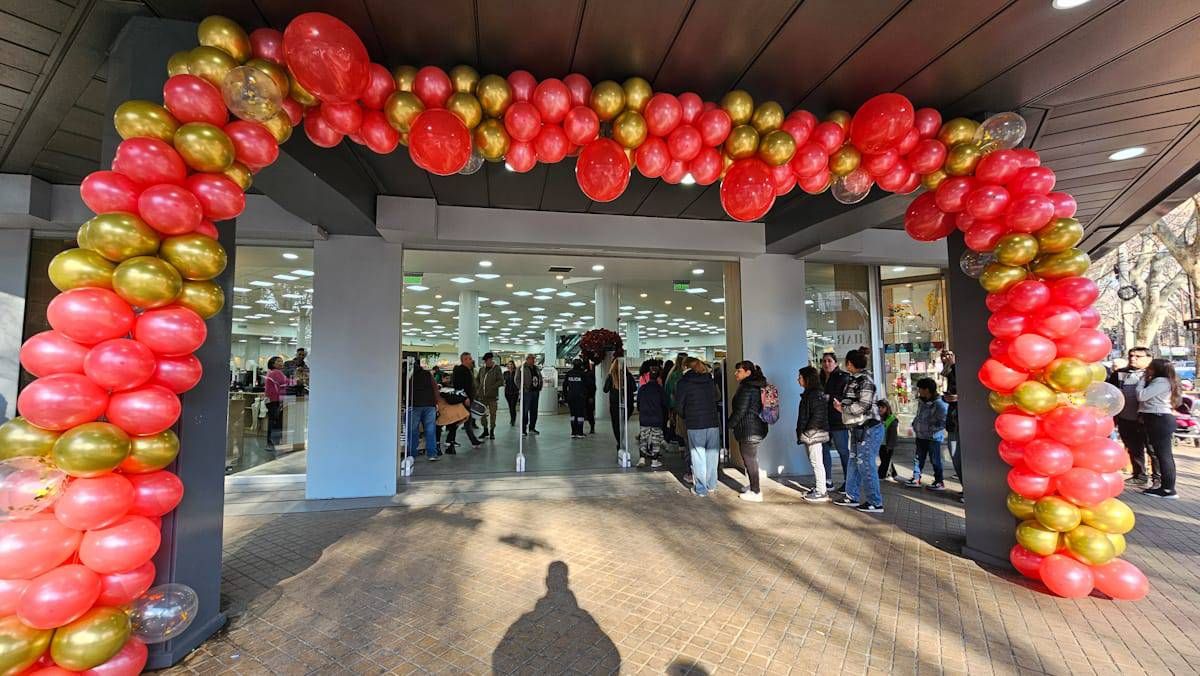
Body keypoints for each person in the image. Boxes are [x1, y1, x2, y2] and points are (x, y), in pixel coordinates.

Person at [832, 350, 884, 513]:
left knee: (866, 464)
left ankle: (875, 502)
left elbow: (864, 405)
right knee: (854, 461)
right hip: (858, 427)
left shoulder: (865, 381)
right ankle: (852, 496)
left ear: (849, 363)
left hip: (868, 427)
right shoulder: (854, 379)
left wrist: (843, 408)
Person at [1108, 347, 1155, 485]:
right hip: (1126, 418)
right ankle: (1139, 475)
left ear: (1149, 358)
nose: (1133, 358)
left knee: (1153, 450)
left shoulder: (1154, 375)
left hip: (1147, 418)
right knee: (1133, 448)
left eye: (1138, 356)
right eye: (1131, 356)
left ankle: (1159, 479)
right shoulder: (1119, 374)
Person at [675, 358, 721, 496]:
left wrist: (686, 415)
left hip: (695, 423)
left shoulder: (683, 383)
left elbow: (679, 405)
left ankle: (701, 489)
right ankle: (712, 484)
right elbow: (716, 397)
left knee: (698, 456)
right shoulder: (709, 380)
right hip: (712, 422)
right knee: (712, 455)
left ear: (685, 367)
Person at [1137, 358, 1181, 499]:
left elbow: (1142, 396)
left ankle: (1168, 489)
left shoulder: (1161, 382)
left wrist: (1142, 381)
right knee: (1161, 454)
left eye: (1150, 367)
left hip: (1159, 418)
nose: (1147, 369)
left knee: (1164, 455)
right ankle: (1166, 487)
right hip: (1157, 418)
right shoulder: (1166, 381)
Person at [729, 361, 769, 502]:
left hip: (749, 429)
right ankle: (752, 485)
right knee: (751, 459)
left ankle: (756, 491)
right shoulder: (756, 386)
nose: (736, 373)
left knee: (750, 460)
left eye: (739, 371)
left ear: (748, 372)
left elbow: (740, 410)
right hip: (755, 427)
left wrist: (730, 424)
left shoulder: (747, 388)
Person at [905, 378, 948, 491]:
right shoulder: (922, 401)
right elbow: (918, 416)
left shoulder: (939, 404)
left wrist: (930, 429)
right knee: (918, 458)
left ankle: (939, 481)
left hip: (933, 438)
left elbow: (944, 421)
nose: (918, 391)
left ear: (927, 390)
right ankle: (916, 478)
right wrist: (915, 425)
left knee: (935, 460)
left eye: (920, 388)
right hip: (920, 436)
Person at [796, 366, 830, 502]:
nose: (798, 379)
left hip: (813, 434)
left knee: (817, 462)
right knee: (815, 461)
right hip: (812, 433)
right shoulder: (811, 394)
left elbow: (817, 415)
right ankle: (819, 488)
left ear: (807, 379)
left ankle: (822, 491)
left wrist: (808, 432)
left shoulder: (814, 394)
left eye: (800, 377)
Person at [820, 351, 852, 492]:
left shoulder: (843, 377)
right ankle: (827, 481)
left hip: (838, 421)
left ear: (835, 363)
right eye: (824, 361)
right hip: (823, 420)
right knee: (824, 450)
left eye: (829, 361)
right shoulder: (819, 378)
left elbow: (846, 396)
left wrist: (829, 397)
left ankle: (849, 482)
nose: (826, 364)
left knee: (843, 451)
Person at [445, 352, 482, 451]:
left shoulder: (467, 370)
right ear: (464, 360)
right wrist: (465, 398)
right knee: (464, 419)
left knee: (462, 420)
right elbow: (459, 386)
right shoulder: (461, 371)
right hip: (463, 400)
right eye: (469, 359)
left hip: (466, 399)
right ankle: (473, 441)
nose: (471, 360)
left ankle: (450, 439)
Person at [636, 364, 668, 469]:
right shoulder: (660, 390)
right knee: (656, 440)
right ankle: (654, 460)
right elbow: (664, 403)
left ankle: (642, 459)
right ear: (658, 377)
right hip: (657, 418)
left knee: (643, 439)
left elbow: (639, 404)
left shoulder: (642, 389)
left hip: (644, 417)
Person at [407, 362, 439, 460]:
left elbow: (406, 389)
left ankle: (412, 453)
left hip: (415, 405)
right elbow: (435, 388)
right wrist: (436, 402)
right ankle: (432, 454)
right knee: (430, 429)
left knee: (413, 430)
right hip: (429, 405)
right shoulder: (427, 374)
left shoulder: (409, 376)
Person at [603, 358, 636, 450]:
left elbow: (605, 389)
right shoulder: (628, 375)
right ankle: (621, 440)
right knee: (623, 423)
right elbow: (634, 388)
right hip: (627, 404)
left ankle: (619, 442)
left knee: (616, 424)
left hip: (615, 405)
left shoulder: (611, 376)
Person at [263, 356, 293, 453]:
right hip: (274, 400)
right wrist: (298, 381)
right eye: (279, 361)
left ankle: (272, 442)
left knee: (274, 421)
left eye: (282, 361)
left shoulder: (273, 373)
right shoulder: (276, 372)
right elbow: (287, 382)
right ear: (273, 364)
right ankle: (270, 443)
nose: (281, 363)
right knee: (274, 422)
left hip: (272, 400)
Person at [474, 352, 503, 439]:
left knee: (493, 414)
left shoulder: (497, 369)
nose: (487, 362)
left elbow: (501, 381)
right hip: (482, 397)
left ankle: (492, 431)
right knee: (482, 414)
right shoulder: (482, 369)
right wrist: (478, 388)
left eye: (488, 360)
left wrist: (492, 387)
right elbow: (477, 379)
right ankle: (485, 430)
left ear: (491, 360)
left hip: (492, 397)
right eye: (486, 361)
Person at [563, 359, 590, 439]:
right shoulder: (583, 374)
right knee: (580, 415)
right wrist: (587, 395)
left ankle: (573, 432)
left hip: (571, 397)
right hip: (580, 397)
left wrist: (566, 397)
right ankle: (580, 432)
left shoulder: (569, 373)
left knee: (573, 414)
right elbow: (587, 385)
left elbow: (565, 386)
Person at [876, 400, 899, 481]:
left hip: (887, 444)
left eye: (882, 407)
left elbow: (893, 435)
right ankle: (893, 473)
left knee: (886, 460)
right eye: (878, 407)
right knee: (885, 459)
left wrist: (890, 446)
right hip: (880, 443)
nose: (880, 409)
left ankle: (881, 475)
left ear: (887, 408)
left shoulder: (891, 419)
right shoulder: (878, 418)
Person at [521, 354, 542, 436]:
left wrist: (540, 386)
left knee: (534, 411)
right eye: (532, 359)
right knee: (525, 411)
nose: (533, 360)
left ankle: (532, 428)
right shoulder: (522, 368)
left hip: (535, 392)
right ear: (527, 359)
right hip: (527, 393)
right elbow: (517, 379)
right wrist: (523, 388)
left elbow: (540, 377)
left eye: (534, 359)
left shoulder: (536, 368)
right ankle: (523, 429)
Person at [504, 360, 520, 427]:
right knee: (510, 407)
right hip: (507, 392)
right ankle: (512, 418)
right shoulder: (505, 373)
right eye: (509, 364)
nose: (510, 365)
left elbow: (518, 381)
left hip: (515, 392)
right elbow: (504, 381)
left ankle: (513, 420)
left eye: (511, 364)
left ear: (513, 365)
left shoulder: (516, 372)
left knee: (513, 406)